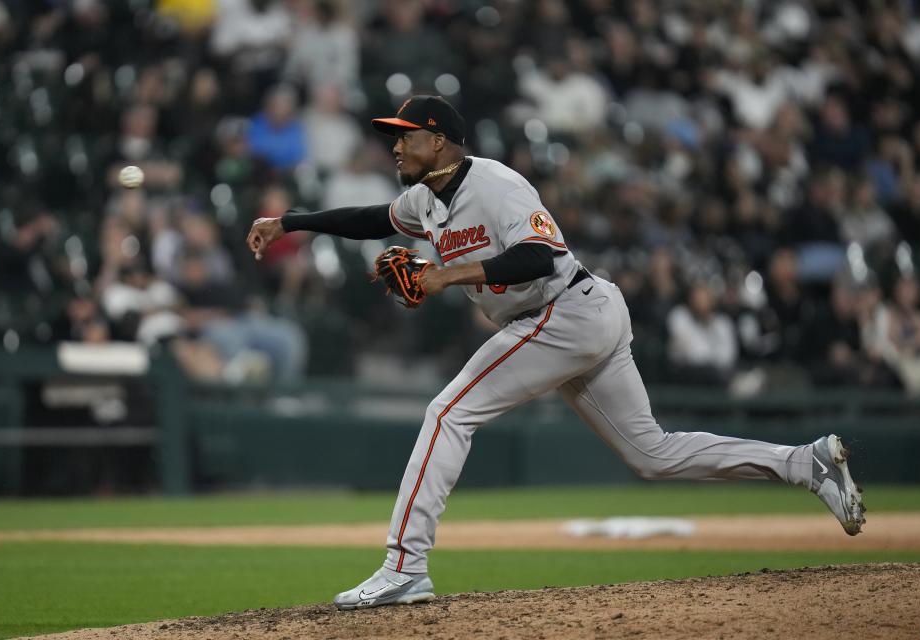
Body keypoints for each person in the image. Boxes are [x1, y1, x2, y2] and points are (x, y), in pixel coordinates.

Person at [246, 96, 866, 611]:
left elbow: (541, 256)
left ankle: (405, 566)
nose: (395, 146)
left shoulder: (496, 182)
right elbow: (371, 218)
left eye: (406, 136)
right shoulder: (423, 200)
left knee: (447, 413)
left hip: (566, 309)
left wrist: (446, 274)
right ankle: (804, 464)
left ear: (439, 141)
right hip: (568, 319)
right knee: (650, 453)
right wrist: (293, 222)